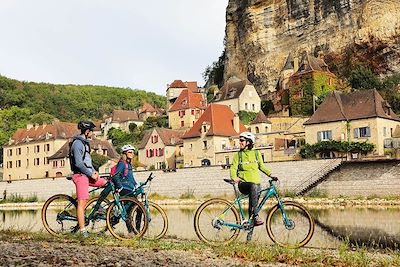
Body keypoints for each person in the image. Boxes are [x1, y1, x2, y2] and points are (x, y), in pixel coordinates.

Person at [70, 121, 107, 237]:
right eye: (91, 131)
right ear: (87, 132)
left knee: (107, 184)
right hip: (80, 175)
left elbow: (87, 162)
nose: (93, 134)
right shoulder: (77, 144)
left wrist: (94, 171)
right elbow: (79, 164)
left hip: (88, 174)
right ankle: (82, 231)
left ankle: (99, 207)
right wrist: (91, 174)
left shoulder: (85, 143)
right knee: (82, 202)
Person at [230, 131, 272, 226]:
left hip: (256, 186)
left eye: (242, 140)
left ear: (248, 142)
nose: (239, 142)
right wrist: (234, 177)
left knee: (252, 209)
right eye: (240, 140)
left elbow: (262, 167)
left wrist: (271, 175)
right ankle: (256, 216)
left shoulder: (257, 154)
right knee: (253, 186)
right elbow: (233, 168)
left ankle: (249, 234)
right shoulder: (238, 155)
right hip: (244, 184)